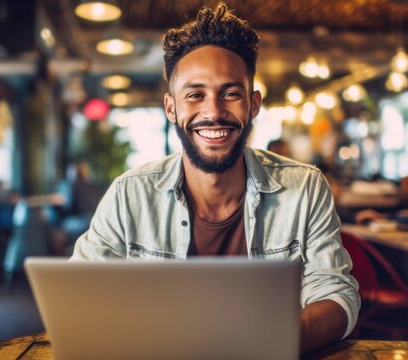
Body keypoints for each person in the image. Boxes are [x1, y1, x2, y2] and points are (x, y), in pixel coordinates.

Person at [71, 3, 359, 353]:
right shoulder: (129, 195)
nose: (214, 112)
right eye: (195, 95)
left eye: (231, 93)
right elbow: (79, 295)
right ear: (171, 108)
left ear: (253, 104)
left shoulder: (306, 188)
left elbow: (336, 293)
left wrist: (278, 339)